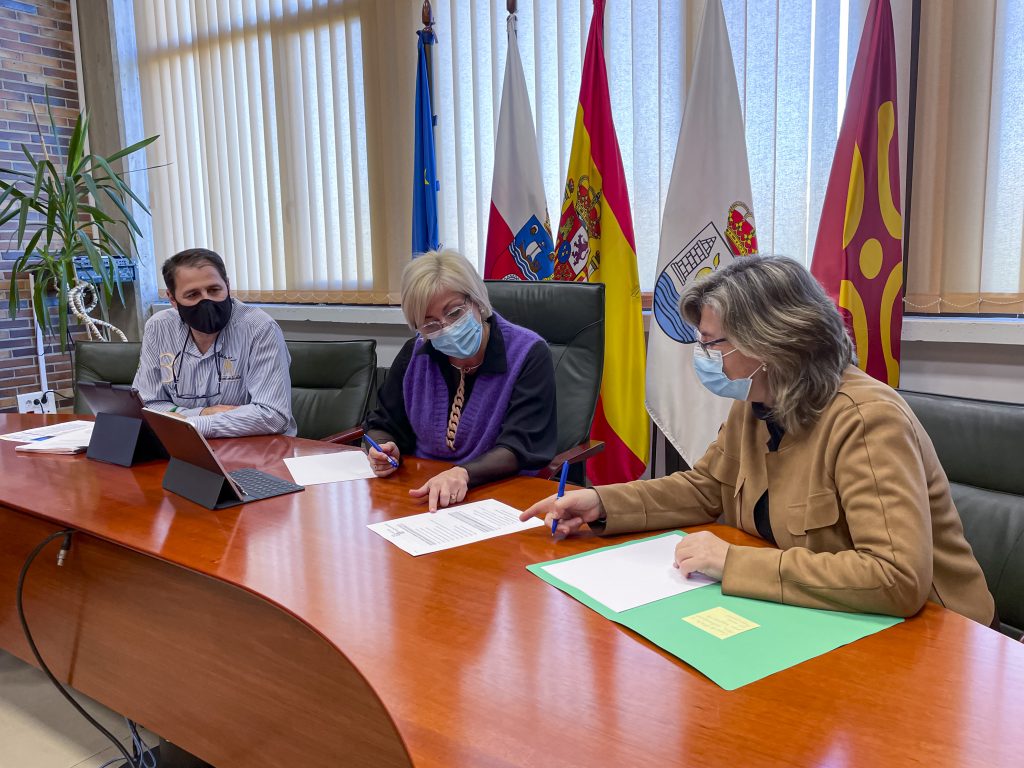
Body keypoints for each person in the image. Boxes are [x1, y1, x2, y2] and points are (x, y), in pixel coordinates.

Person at [522, 255, 996, 626]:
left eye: (713, 344)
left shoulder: (867, 421)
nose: (704, 358)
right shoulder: (758, 400)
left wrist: (732, 563)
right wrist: (601, 503)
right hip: (821, 615)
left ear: (773, 343)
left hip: (934, 638)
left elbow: (896, 578)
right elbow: (706, 488)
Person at [364, 249, 557, 511]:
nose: (446, 328)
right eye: (430, 324)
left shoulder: (528, 353)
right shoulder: (415, 354)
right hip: (423, 492)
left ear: (477, 302)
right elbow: (382, 422)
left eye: (454, 313)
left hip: (501, 494)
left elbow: (519, 447)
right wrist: (382, 448)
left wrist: (462, 473)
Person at [134, 248, 296, 438]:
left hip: (257, 447)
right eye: (193, 294)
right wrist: (202, 414)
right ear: (172, 299)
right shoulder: (159, 327)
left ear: (227, 286)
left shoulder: (260, 328)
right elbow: (148, 404)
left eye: (214, 290)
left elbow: (272, 415)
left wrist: (190, 423)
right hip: (184, 446)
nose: (206, 301)